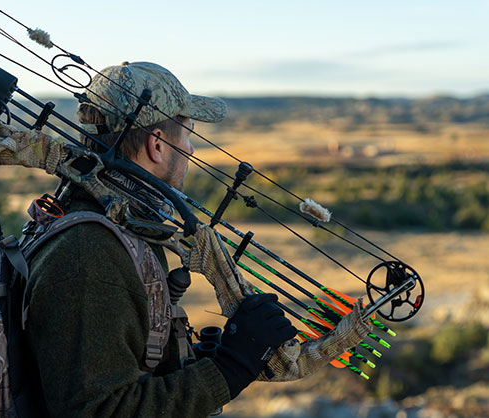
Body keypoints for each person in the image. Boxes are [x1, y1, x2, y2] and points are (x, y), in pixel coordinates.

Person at [22, 61, 298, 417]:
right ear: (157, 144)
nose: (192, 150)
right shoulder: (90, 254)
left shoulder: (120, 228)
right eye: (188, 134)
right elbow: (99, 409)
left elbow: (119, 369)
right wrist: (229, 369)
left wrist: (189, 361)